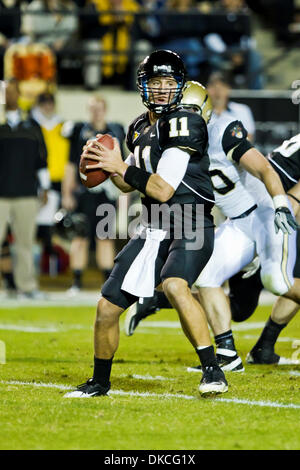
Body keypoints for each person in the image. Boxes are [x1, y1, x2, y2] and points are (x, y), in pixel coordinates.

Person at [65, 50, 229, 398]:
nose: (162, 89)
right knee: (107, 306)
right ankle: (99, 382)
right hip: (153, 224)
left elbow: (162, 187)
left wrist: (119, 166)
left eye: (169, 83)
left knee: (174, 285)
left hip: (190, 221)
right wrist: (105, 166)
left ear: (180, 87)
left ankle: (213, 370)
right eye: (156, 82)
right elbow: (128, 183)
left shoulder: (186, 122)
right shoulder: (139, 126)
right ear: (144, 85)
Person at [124, 80, 300, 373]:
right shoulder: (173, 142)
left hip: (266, 217)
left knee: (278, 283)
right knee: (206, 277)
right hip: (238, 225)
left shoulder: (223, 131)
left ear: (205, 110)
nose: (187, 117)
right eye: (183, 110)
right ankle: (228, 352)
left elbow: (264, 168)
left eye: (192, 110)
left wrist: (281, 202)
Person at [61, 94, 125, 293]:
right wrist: (67, 193)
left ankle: (107, 281)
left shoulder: (115, 131)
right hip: (84, 192)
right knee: (79, 237)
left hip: (107, 193)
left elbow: (121, 164)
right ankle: (77, 282)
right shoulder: (80, 131)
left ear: (105, 109)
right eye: (93, 108)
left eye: (99, 108)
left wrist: (124, 193)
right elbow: (71, 164)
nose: (96, 112)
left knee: (104, 237)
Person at [0, 79, 50, 299]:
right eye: (5, 92)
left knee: (25, 244)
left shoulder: (32, 125)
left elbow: (42, 159)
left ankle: (27, 286)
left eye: (12, 91)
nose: (9, 96)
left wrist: (45, 188)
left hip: (26, 193)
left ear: (19, 93)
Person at [30, 92, 70, 273]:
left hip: (59, 182)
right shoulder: (32, 126)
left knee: (54, 226)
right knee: (38, 227)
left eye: (50, 103)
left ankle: (51, 268)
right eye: (43, 103)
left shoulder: (63, 126)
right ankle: (39, 268)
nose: (47, 107)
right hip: (36, 182)